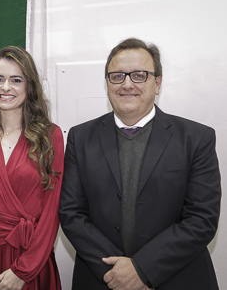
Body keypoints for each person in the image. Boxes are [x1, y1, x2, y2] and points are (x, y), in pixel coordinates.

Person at [59, 38, 221, 290]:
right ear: (107, 83)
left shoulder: (196, 138)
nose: (127, 84)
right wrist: (117, 273)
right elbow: (71, 214)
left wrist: (142, 270)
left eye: (139, 75)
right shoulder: (80, 138)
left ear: (157, 83)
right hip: (103, 278)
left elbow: (202, 219)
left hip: (177, 278)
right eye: (117, 76)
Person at [0, 46, 64, 290]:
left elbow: (51, 212)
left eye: (16, 80)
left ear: (30, 85)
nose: (6, 87)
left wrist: (23, 272)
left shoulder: (51, 136)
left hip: (31, 262)